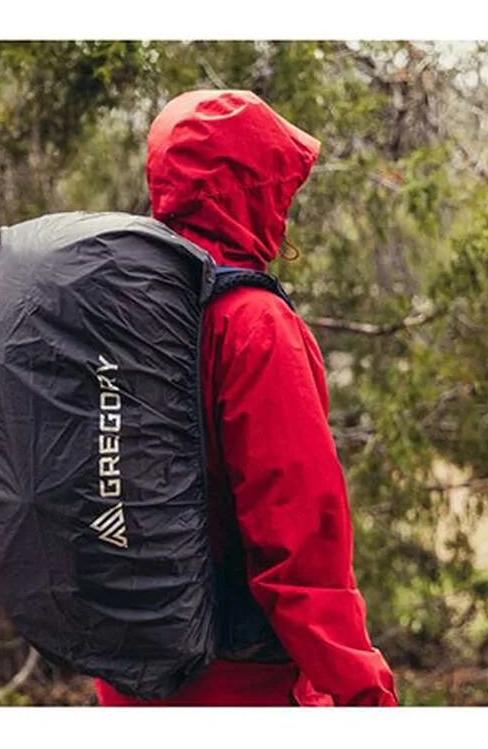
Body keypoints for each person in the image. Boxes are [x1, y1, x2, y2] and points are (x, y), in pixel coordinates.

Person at [95, 89, 398, 708]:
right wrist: (363, 695)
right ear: (251, 191)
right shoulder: (253, 324)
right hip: (238, 683)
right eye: (279, 188)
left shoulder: (116, 307)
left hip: (130, 676)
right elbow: (300, 546)